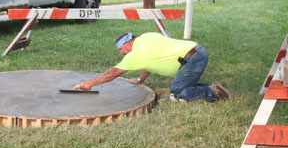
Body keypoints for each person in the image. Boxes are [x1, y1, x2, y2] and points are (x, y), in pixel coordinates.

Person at [73, 32, 231, 102]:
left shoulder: (136, 55)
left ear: (128, 44)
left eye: (122, 49)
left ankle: (212, 92)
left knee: (176, 95)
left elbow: (112, 73)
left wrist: (89, 84)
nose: (122, 53)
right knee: (182, 86)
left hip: (192, 60)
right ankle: (213, 86)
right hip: (196, 51)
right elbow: (148, 62)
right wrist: (140, 79)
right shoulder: (146, 37)